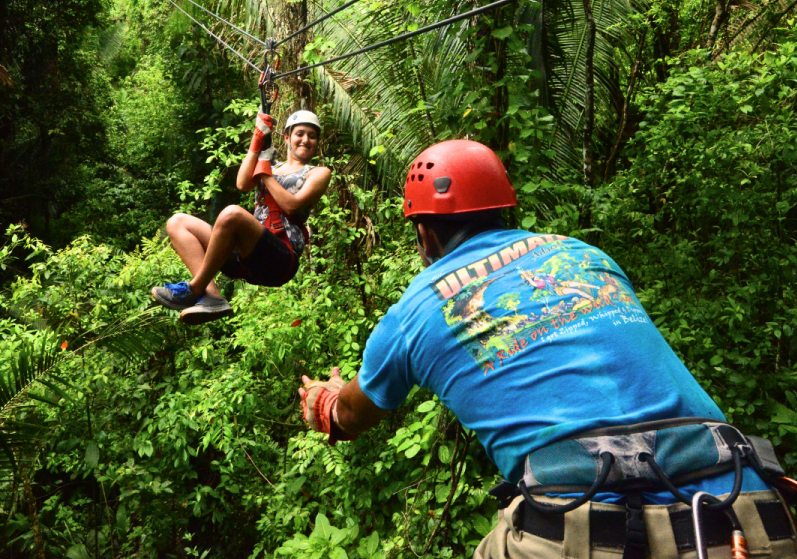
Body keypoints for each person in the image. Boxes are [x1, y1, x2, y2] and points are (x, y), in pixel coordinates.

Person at [298, 140, 796, 558]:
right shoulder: (583, 253)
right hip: (745, 513)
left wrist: (326, 400)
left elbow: (353, 415)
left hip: (581, 527)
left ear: (425, 235)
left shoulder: (417, 309)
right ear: (505, 210)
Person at [152, 109, 331, 325]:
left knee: (232, 214)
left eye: (312, 136)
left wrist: (265, 172)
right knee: (178, 222)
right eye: (299, 134)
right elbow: (243, 183)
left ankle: (194, 288)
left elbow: (291, 206)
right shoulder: (273, 166)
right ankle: (212, 297)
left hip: (280, 258)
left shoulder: (318, 173)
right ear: (287, 138)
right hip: (248, 256)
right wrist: (257, 141)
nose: (305, 140)